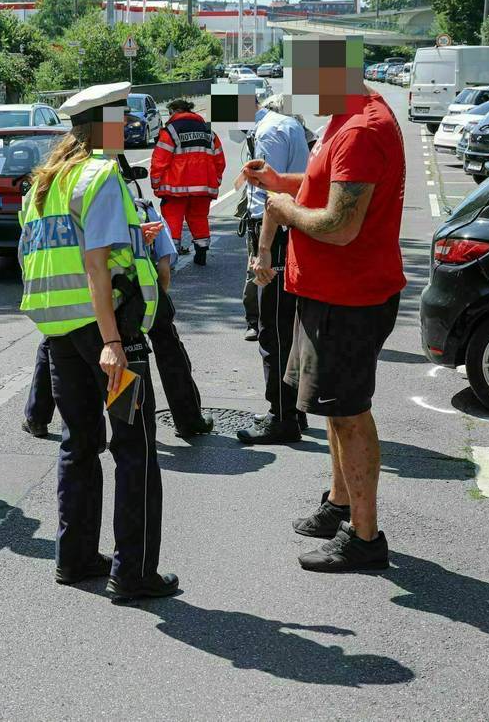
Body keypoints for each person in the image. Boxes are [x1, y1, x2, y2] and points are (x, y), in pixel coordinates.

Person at [245, 34, 405, 573]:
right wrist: (282, 182)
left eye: (306, 80)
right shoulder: (345, 118)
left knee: (349, 414)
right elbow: (326, 189)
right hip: (328, 294)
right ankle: (339, 506)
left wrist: (284, 208)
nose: (300, 91)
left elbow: (338, 225)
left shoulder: (362, 130)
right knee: (335, 413)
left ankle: (365, 538)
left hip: (347, 298)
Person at [19, 81, 178, 602]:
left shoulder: (46, 183)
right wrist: (112, 339)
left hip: (61, 336)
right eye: (122, 118)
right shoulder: (102, 175)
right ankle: (133, 573)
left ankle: (76, 557)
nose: (130, 126)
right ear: (104, 126)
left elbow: (40, 259)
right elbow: (95, 265)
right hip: (112, 338)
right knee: (135, 450)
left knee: (80, 444)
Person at [22, 185, 214, 441]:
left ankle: (37, 417)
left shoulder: (52, 200)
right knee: (165, 347)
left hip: (81, 299)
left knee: (56, 345)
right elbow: (164, 268)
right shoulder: (139, 206)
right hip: (133, 295)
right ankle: (184, 419)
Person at [235, 92, 312, 446]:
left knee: (274, 328)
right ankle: (293, 409)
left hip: (276, 233)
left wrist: (262, 249)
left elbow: (273, 197)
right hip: (288, 232)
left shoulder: (267, 133)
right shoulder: (286, 124)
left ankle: (281, 416)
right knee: (287, 326)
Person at [149, 98, 225, 265]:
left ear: (175, 112)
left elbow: (159, 160)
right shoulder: (208, 131)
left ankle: (170, 260)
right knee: (199, 218)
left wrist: (156, 183)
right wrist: (215, 180)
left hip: (175, 188)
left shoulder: (170, 131)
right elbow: (219, 160)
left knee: (173, 220)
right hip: (203, 188)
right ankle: (201, 253)